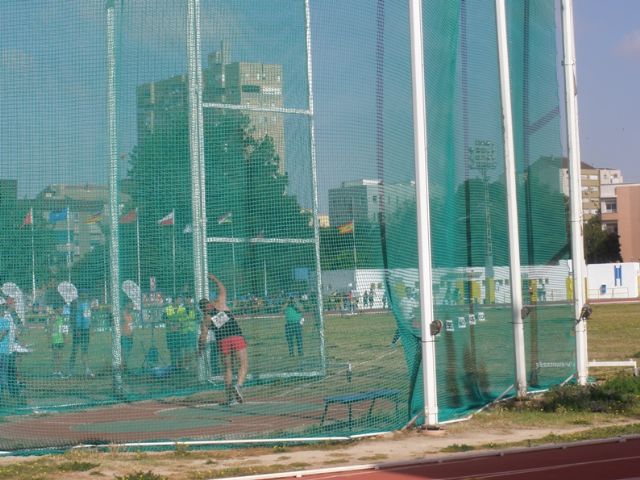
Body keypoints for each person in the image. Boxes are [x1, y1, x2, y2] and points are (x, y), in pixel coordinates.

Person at [198, 272, 248, 405]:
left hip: (222, 341)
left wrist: (200, 349)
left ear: (201, 309)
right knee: (243, 364)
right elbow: (222, 289)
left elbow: (202, 337)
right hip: (236, 336)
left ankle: (230, 398)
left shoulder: (206, 319)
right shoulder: (220, 303)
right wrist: (214, 279)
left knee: (228, 369)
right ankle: (239, 385)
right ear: (209, 303)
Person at [68, 293, 94, 377]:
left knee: (85, 350)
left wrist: (90, 327)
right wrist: (77, 329)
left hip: (86, 330)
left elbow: (88, 318)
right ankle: (71, 370)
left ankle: (87, 369)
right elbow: (77, 317)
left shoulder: (87, 304)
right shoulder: (77, 304)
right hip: (78, 330)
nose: (85, 296)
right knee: (75, 350)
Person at [49, 306, 68, 377]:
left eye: (62, 308)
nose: (62, 309)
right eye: (60, 308)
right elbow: (50, 328)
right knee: (55, 356)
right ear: (56, 309)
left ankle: (59, 371)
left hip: (61, 339)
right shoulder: (53, 317)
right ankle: (54, 372)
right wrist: (50, 339)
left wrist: (65, 338)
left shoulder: (61, 317)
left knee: (60, 356)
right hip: (55, 340)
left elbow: (63, 328)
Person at [121, 302, 135, 371]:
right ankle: (122, 368)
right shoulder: (122, 314)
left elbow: (131, 325)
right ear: (126, 305)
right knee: (124, 353)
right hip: (124, 337)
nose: (132, 307)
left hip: (130, 338)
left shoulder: (130, 315)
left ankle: (124, 366)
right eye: (130, 305)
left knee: (127, 354)